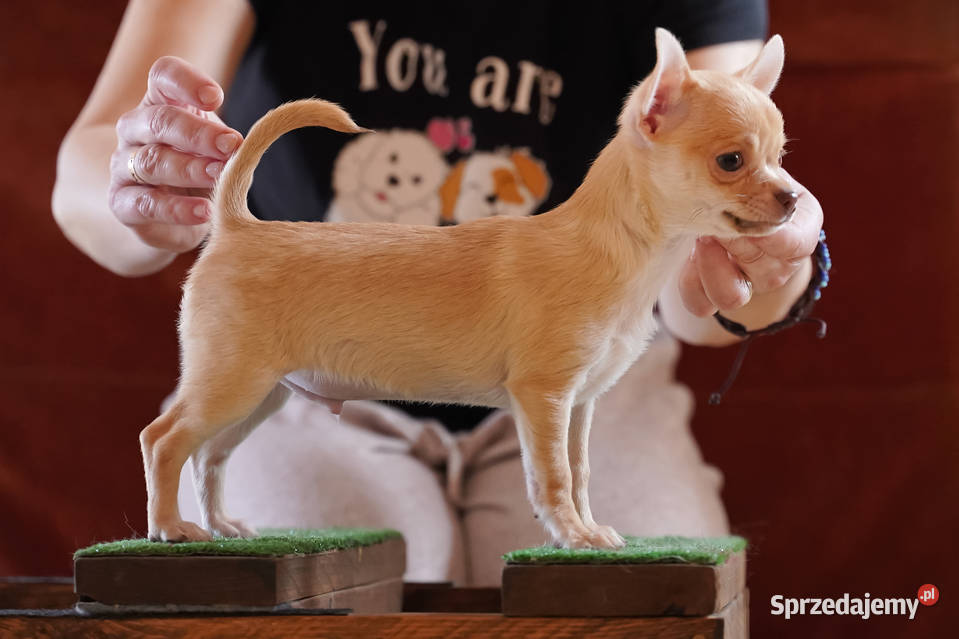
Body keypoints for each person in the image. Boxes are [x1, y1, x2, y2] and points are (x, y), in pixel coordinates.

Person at [52, 0, 823, 585]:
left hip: (608, 382)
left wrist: (768, 265)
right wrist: (141, 190)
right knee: (294, 589)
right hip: (326, 336)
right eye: (734, 164)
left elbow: (712, 307)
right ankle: (183, 504)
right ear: (651, 111)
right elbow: (86, 165)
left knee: (653, 594)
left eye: (772, 161)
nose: (775, 182)